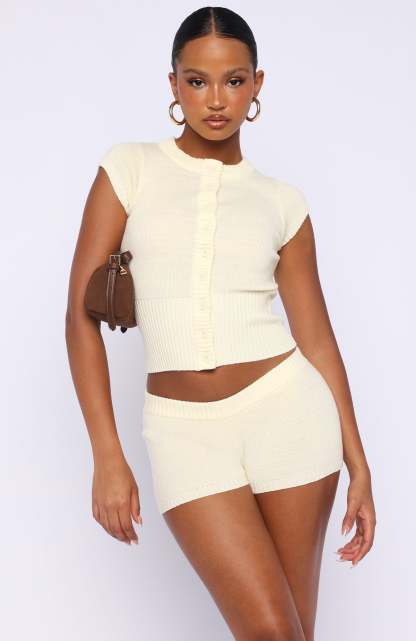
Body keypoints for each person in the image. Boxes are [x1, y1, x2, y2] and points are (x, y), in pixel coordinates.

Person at [65, 6, 376, 641]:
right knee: (272, 632)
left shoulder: (283, 202)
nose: (215, 100)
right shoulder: (128, 170)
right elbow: (79, 318)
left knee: (291, 635)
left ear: (256, 86)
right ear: (173, 85)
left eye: (234, 81)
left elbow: (317, 339)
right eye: (197, 81)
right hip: (184, 434)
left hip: (290, 418)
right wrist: (106, 454)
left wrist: (359, 463)